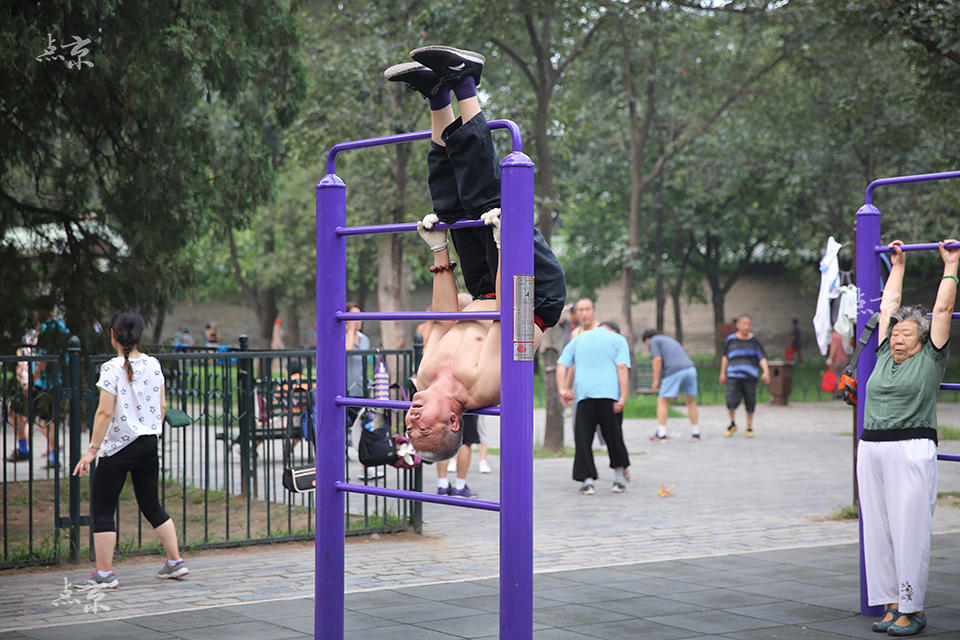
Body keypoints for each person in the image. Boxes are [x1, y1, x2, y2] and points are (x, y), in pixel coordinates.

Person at [386, 45, 566, 461]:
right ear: (453, 422)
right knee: (486, 200)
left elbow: (444, 319)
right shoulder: (483, 385)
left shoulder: (423, 378)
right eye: (423, 428)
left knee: (449, 210)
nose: (411, 421)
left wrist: (439, 252)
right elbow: (509, 313)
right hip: (529, 295)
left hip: (486, 288)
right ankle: (466, 80)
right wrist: (506, 246)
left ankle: (437, 96)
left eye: (409, 429)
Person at [857, 239, 957, 636]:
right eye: (895, 332)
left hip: (911, 447)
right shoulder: (883, 353)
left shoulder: (932, 356)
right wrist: (896, 265)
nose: (897, 337)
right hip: (871, 447)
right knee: (878, 529)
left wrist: (950, 264)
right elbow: (886, 306)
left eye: (906, 332)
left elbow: (944, 309)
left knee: (909, 527)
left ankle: (913, 608)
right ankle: (892, 603)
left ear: (922, 338)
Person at [72, 310, 189, 588]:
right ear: (138, 335)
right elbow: (161, 406)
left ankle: (104, 573)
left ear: (113, 335)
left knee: (103, 509)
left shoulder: (112, 368)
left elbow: (104, 412)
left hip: (118, 448)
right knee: (151, 503)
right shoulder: (154, 364)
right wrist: (149, 431)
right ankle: (175, 561)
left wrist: (91, 450)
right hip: (149, 443)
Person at [555, 319, 631, 495]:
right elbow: (622, 368)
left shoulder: (579, 340)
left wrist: (562, 389)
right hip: (610, 396)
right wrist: (623, 397)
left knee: (583, 439)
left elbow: (561, 364)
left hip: (585, 396)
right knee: (614, 438)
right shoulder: (618, 340)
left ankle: (587, 481)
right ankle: (619, 479)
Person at [642, 329, 700, 442]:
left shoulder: (653, 341)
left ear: (647, 339)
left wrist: (655, 380)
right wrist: (676, 389)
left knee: (662, 400)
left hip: (674, 371)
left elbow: (657, 360)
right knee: (691, 401)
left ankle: (661, 434)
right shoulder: (670, 340)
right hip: (690, 369)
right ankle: (696, 433)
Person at [33, 297, 70, 469]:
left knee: (46, 420)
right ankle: (53, 455)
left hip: (46, 381)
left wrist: (33, 379)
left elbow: (42, 358)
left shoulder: (48, 328)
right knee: (48, 419)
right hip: (58, 377)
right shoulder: (61, 326)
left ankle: (54, 457)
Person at [719, 314, 771, 438]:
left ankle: (749, 426)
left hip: (750, 376)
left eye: (748, 324)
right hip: (733, 375)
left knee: (750, 401)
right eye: (744, 324)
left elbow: (762, 357)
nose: (746, 327)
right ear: (738, 325)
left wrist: (766, 371)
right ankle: (732, 423)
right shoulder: (730, 340)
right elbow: (725, 357)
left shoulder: (755, 341)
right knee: (730, 400)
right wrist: (722, 373)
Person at [344, 302, 370, 433]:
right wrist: (350, 330)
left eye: (360, 316)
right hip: (345, 389)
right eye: (353, 316)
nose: (357, 320)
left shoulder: (364, 339)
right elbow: (347, 350)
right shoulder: (341, 337)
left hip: (360, 389)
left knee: (362, 426)